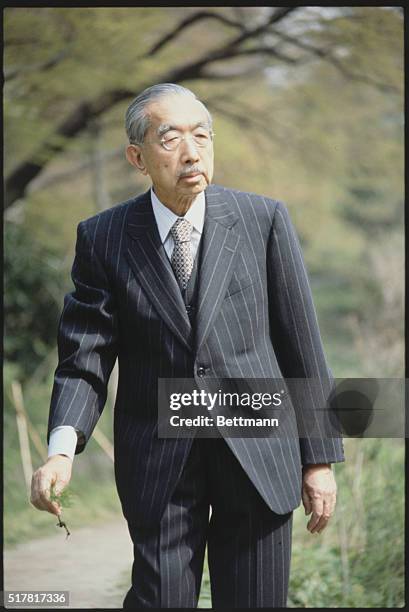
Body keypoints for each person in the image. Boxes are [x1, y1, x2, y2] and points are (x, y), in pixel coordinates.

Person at [31, 83, 344, 608]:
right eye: (170, 138)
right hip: (159, 465)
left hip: (258, 451)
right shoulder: (104, 238)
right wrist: (61, 450)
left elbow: (302, 347)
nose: (192, 152)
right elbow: (85, 356)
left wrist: (319, 460)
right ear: (138, 157)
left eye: (202, 135)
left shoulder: (261, 220)